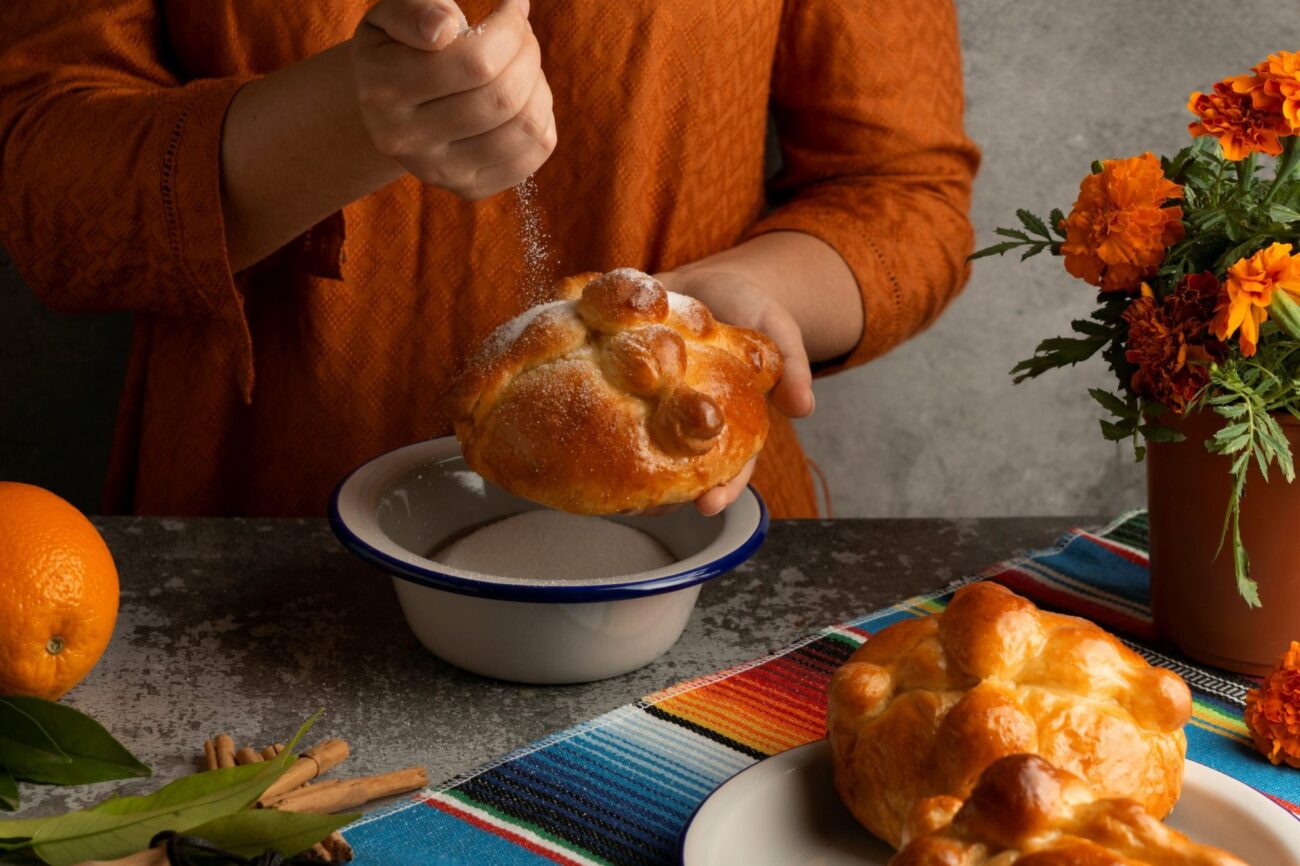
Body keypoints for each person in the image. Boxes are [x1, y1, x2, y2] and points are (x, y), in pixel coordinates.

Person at [0, 0, 978, 519]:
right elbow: (45, 193)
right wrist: (348, 117)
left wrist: (751, 295)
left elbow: (905, 193)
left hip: (692, 550)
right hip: (261, 544)